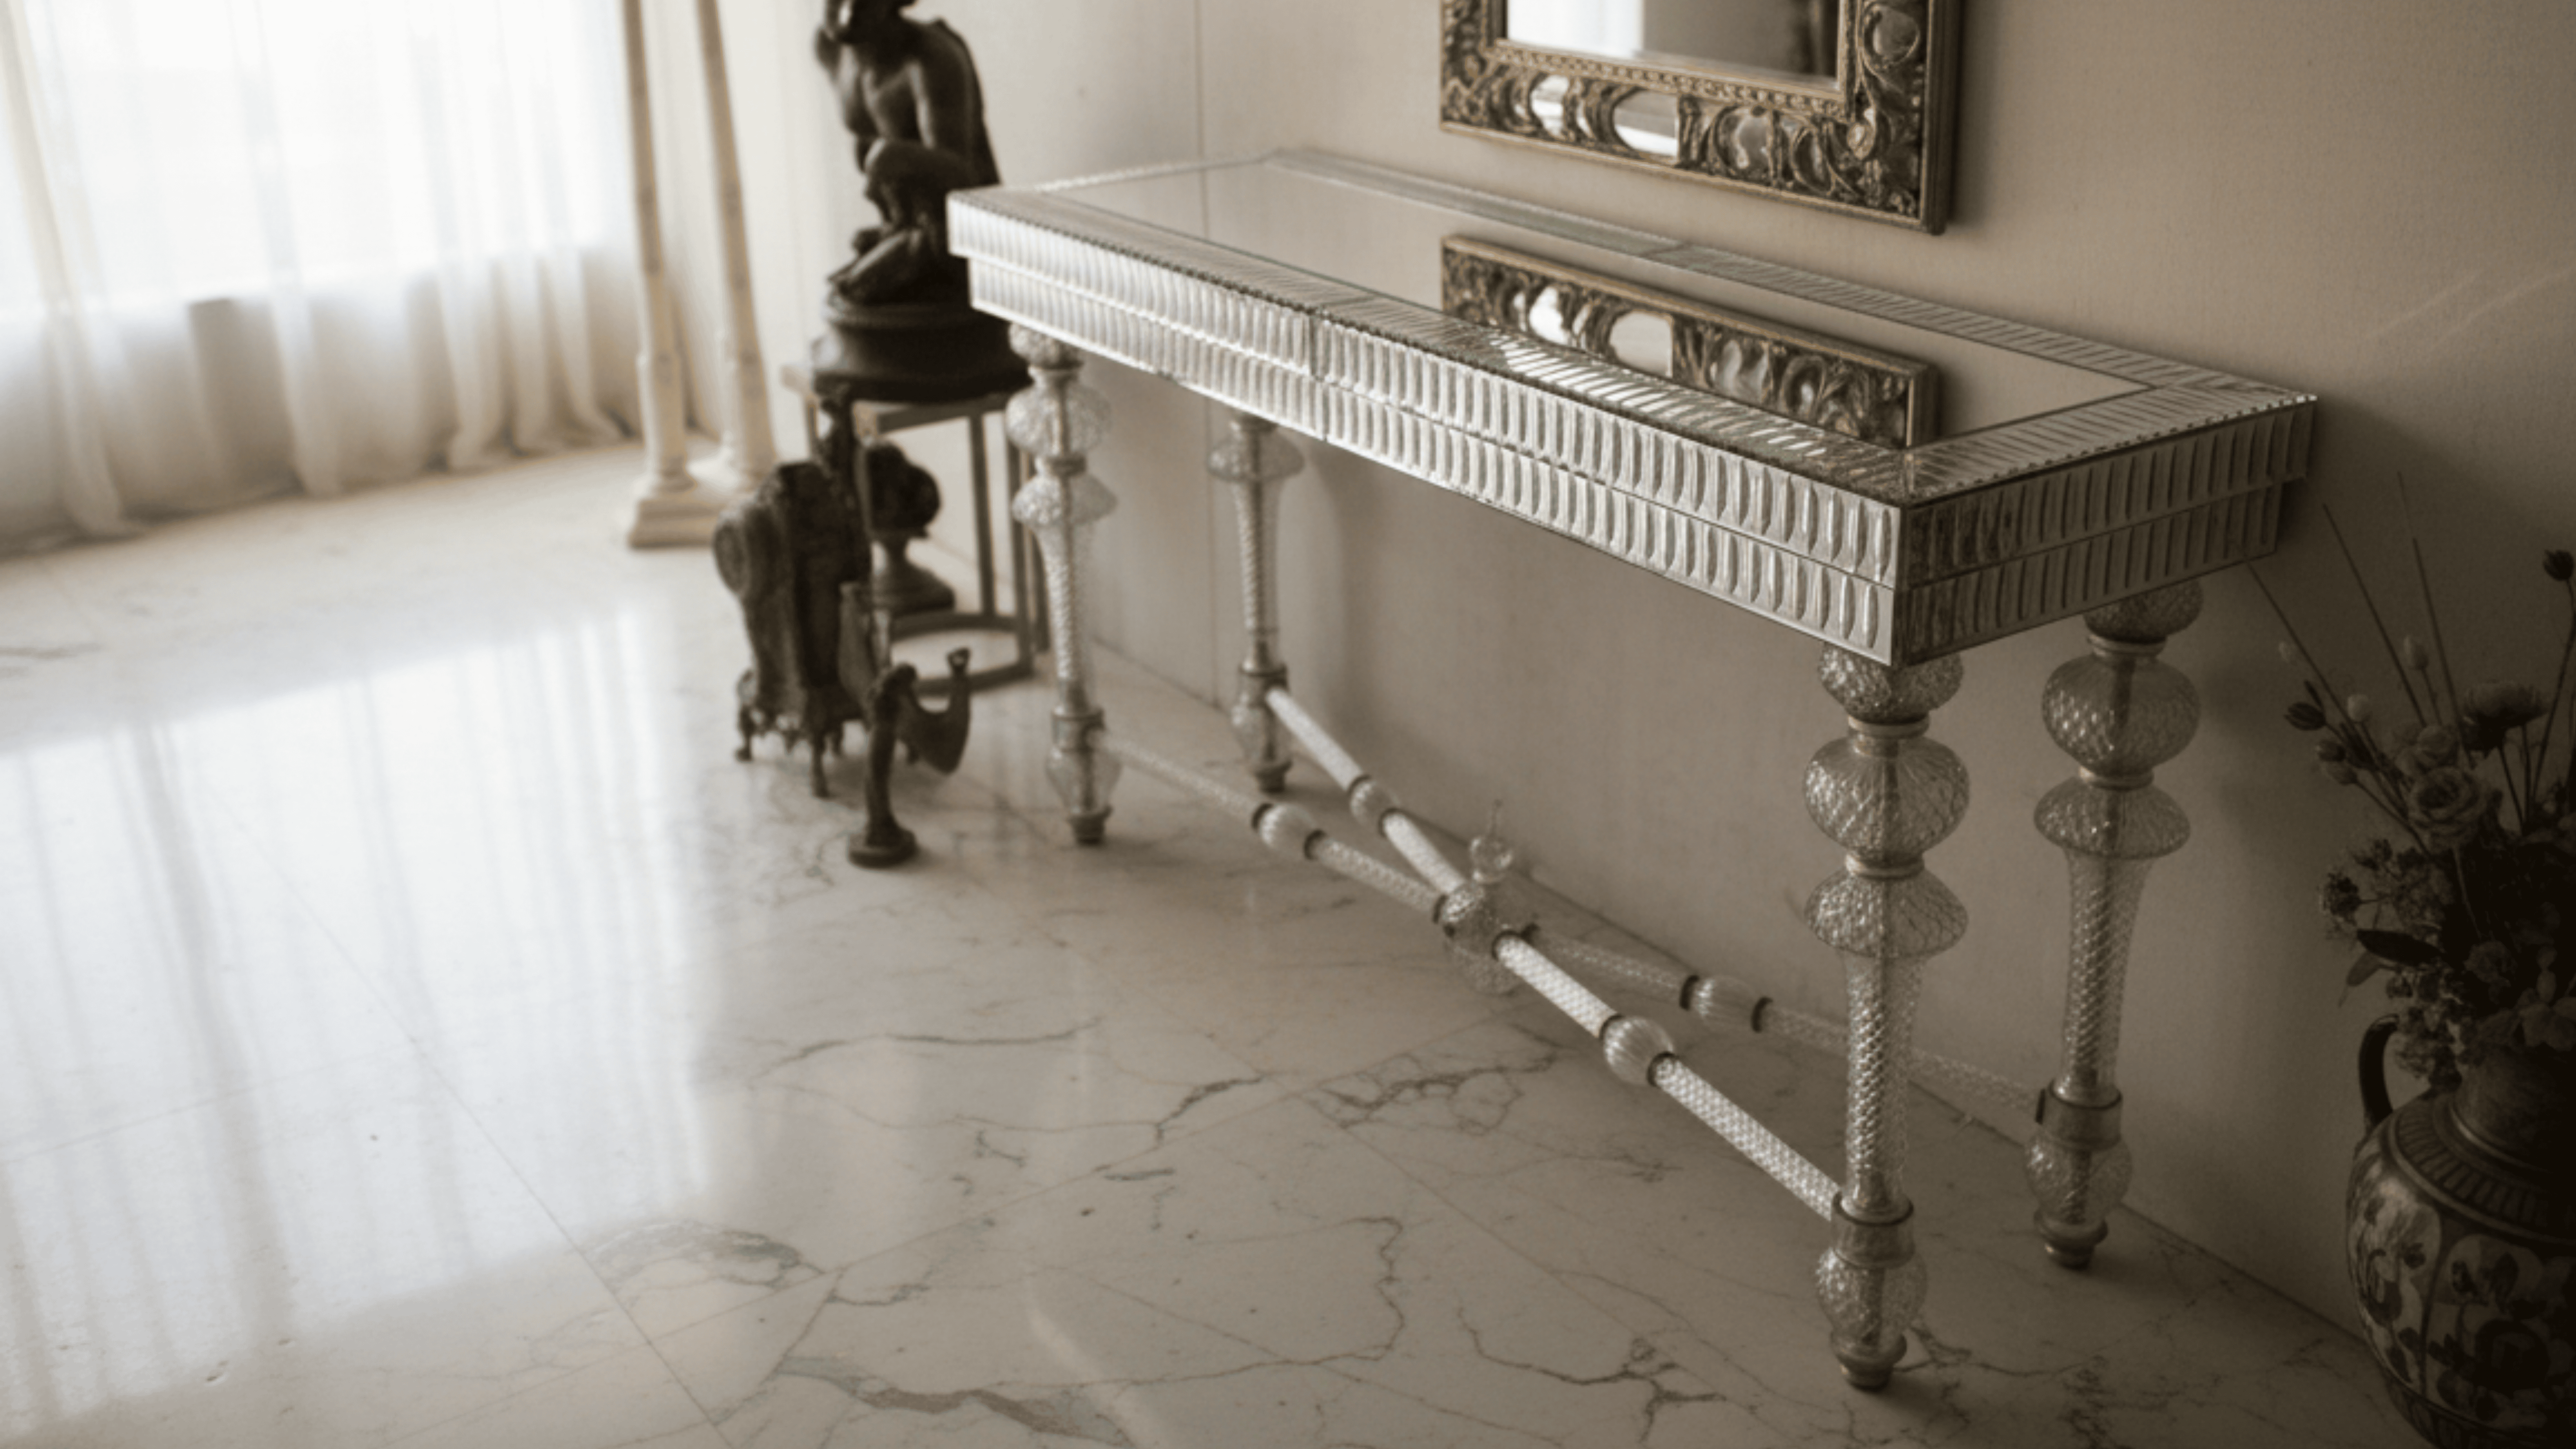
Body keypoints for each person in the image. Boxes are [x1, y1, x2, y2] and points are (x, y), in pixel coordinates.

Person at [814, 0, 1000, 309]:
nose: (848, 11)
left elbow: (964, 178)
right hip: (903, 221)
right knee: (844, 293)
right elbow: (866, 136)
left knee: (855, 296)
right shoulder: (828, 47)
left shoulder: (930, 59)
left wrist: (893, 157)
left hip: (956, 233)